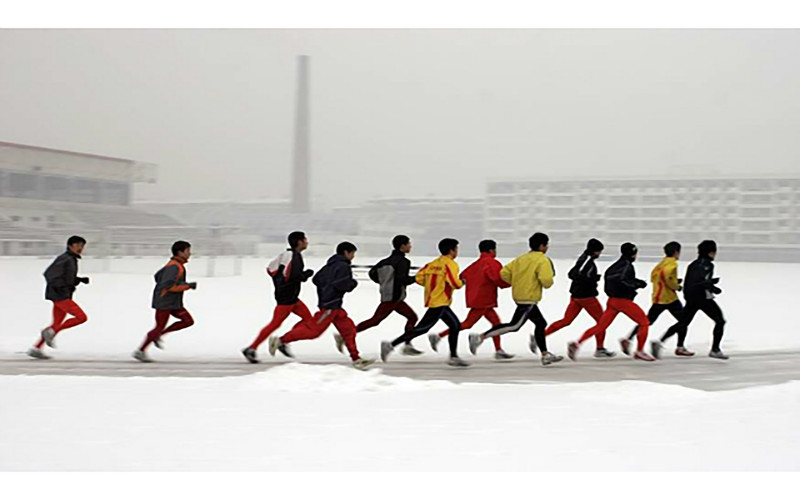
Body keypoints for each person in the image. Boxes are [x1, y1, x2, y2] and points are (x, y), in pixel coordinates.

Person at [269, 242, 375, 370]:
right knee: (314, 332)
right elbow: (342, 285)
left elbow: (317, 279)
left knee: (349, 330)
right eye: (352, 253)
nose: (353, 256)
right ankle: (280, 340)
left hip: (334, 305)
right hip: (329, 306)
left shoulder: (330, 265)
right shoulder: (343, 266)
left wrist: (326, 289)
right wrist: (352, 283)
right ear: (346, 252)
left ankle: (356, 359)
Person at [468, 233, 564, 366]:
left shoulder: (520, 259)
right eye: (546, 245)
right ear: (542, 246)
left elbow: (504, 273)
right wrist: (544, 282)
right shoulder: (542, 260)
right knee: (514, 326)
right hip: (528, 298)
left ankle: (545, 354)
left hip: (520, 296)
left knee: (541, 323)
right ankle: (480, 337)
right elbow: (547, 281)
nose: (547, 247)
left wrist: (517, 282)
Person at [381, 238, 469, 367]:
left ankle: (454, 356)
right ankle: (391, 345)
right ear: (451, 250)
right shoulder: (450, 264)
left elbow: (419, 278)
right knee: (421, 329)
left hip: (436, 301)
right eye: (456, 249)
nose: (457, 252)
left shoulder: (432, 264)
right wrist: (463, 282)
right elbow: (455, 283)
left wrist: (432, 287)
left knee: (455, 325)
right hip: (439, 302)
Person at [568, 243, 655, 361]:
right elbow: (623, 280)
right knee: (644, 322)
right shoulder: (627, 266)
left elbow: (611, 280)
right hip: (623, 301)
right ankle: (639, 351)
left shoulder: (614, 266)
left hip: (612, 301)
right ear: (633, 253)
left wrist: (633, 283)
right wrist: (637, 284)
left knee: (600, 326)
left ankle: (577, 344)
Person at [430, 239, 514, 360]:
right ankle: (439, 336)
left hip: (476, 298)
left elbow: (463, 276)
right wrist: (510, 283)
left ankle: (498, 350)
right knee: (468, 324)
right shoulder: (492, 263)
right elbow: (496, 279)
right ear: (492, 250)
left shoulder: (476, 264)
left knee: (496, 323)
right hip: (484, 299)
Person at [343, 234, 422, 356]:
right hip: (393, 297)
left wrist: (384, 283)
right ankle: (346, 335)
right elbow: (402, 279)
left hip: (392, 296)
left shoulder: (384, 261)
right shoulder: (404, 261)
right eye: (408, 244)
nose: (410, 246)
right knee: (375, 320)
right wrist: (416, 279)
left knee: (412, 317)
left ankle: (407, 344)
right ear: (402, 246)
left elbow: (372, 273)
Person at [242, 231, 314, 363]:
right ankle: (252, 348)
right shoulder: (294, 256)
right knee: (275, 324)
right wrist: (307, 274)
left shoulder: (286, 255)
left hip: (291, 297)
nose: (307, 242)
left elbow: (274, 271)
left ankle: (283, 341)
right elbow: (294, 277)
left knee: (309, 320)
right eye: (305, 240)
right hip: (286, 299)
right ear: (299, 242)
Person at [620, 241, 693, 358]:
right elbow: (667, 276)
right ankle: (678, 346)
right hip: (669, 298)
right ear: (676, 252)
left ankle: (628, 339)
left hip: (658, 297)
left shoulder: (661, 263)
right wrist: (676, 286)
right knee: (683, 321)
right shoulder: (673, 264)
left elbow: (654, 276)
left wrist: (669, 282)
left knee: (648, 321)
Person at [543, 238, 613, 357]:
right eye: (599, 252)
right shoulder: (587, 260)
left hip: (576, 296)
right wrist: (593, 279)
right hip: (586, 297)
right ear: (595, 251)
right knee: (602, 322)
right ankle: (598, 348)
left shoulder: (583, 258)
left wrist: (591, 278)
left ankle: (540, 336)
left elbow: (576, 274)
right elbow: (574, 274)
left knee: (566, 321)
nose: (599, 254)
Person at [660, 240, 728, 359]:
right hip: (702, 298)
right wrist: (712, 286)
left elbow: (690, 282)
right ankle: (715, 349)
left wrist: (710, 286)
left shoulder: (693, 264)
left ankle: (661, 341)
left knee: (683, 322)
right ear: (711, 252)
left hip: (691, 297)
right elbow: (701, 281)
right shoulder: (707, 265)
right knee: (720, 321)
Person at [133, 241, 197, 362]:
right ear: (180, 252)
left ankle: (159, 335)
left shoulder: (176, 265)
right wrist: (187, 286)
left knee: (187, 321)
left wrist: (184, 285)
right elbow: (168, 286)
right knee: (159, 327)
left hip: (173, 302)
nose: (190, 253)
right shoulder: (174, 266)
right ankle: (140, 351)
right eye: (188, 251)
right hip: (164, 303)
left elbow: (158, 276)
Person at [28, 235, 90, 359]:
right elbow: (49, 274)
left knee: (56, 323)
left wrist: (78, 280)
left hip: (62, 294)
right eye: (78, 245)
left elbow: (65, 276)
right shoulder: (65, 258)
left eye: (82, 246)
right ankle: (51, 332)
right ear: (70, 246)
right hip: (60, 296)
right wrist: (61, 287)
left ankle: (36, 348)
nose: (80, 248)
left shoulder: (71, 259)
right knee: (81, 317)